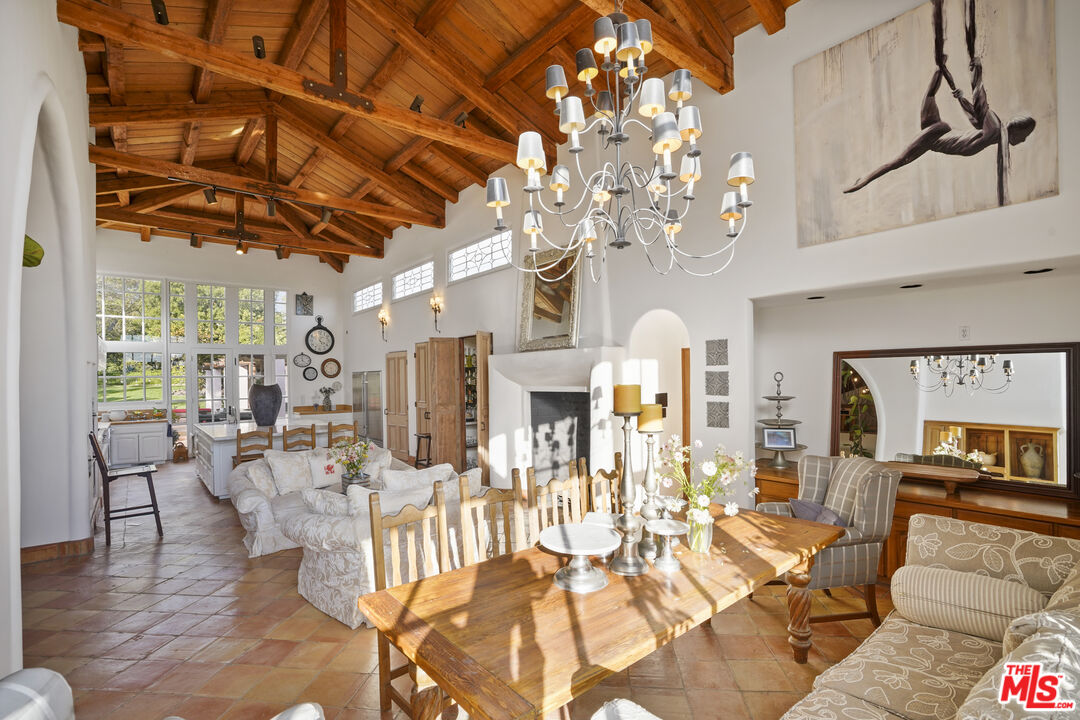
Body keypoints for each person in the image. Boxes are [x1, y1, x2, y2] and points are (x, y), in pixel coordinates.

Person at [843, 0, 1035, 206]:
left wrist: (960, 97)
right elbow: (981, 105)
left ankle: (939, 67)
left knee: (933, 89)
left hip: (938, 131)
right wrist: (976, 73)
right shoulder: (995, 129)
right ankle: (862, 181)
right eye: (1023, 137)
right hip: (935, 138)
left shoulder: (994, 130)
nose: (1022, 142)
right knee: (899, 161)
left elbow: (975, 117)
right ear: (1015, 130)